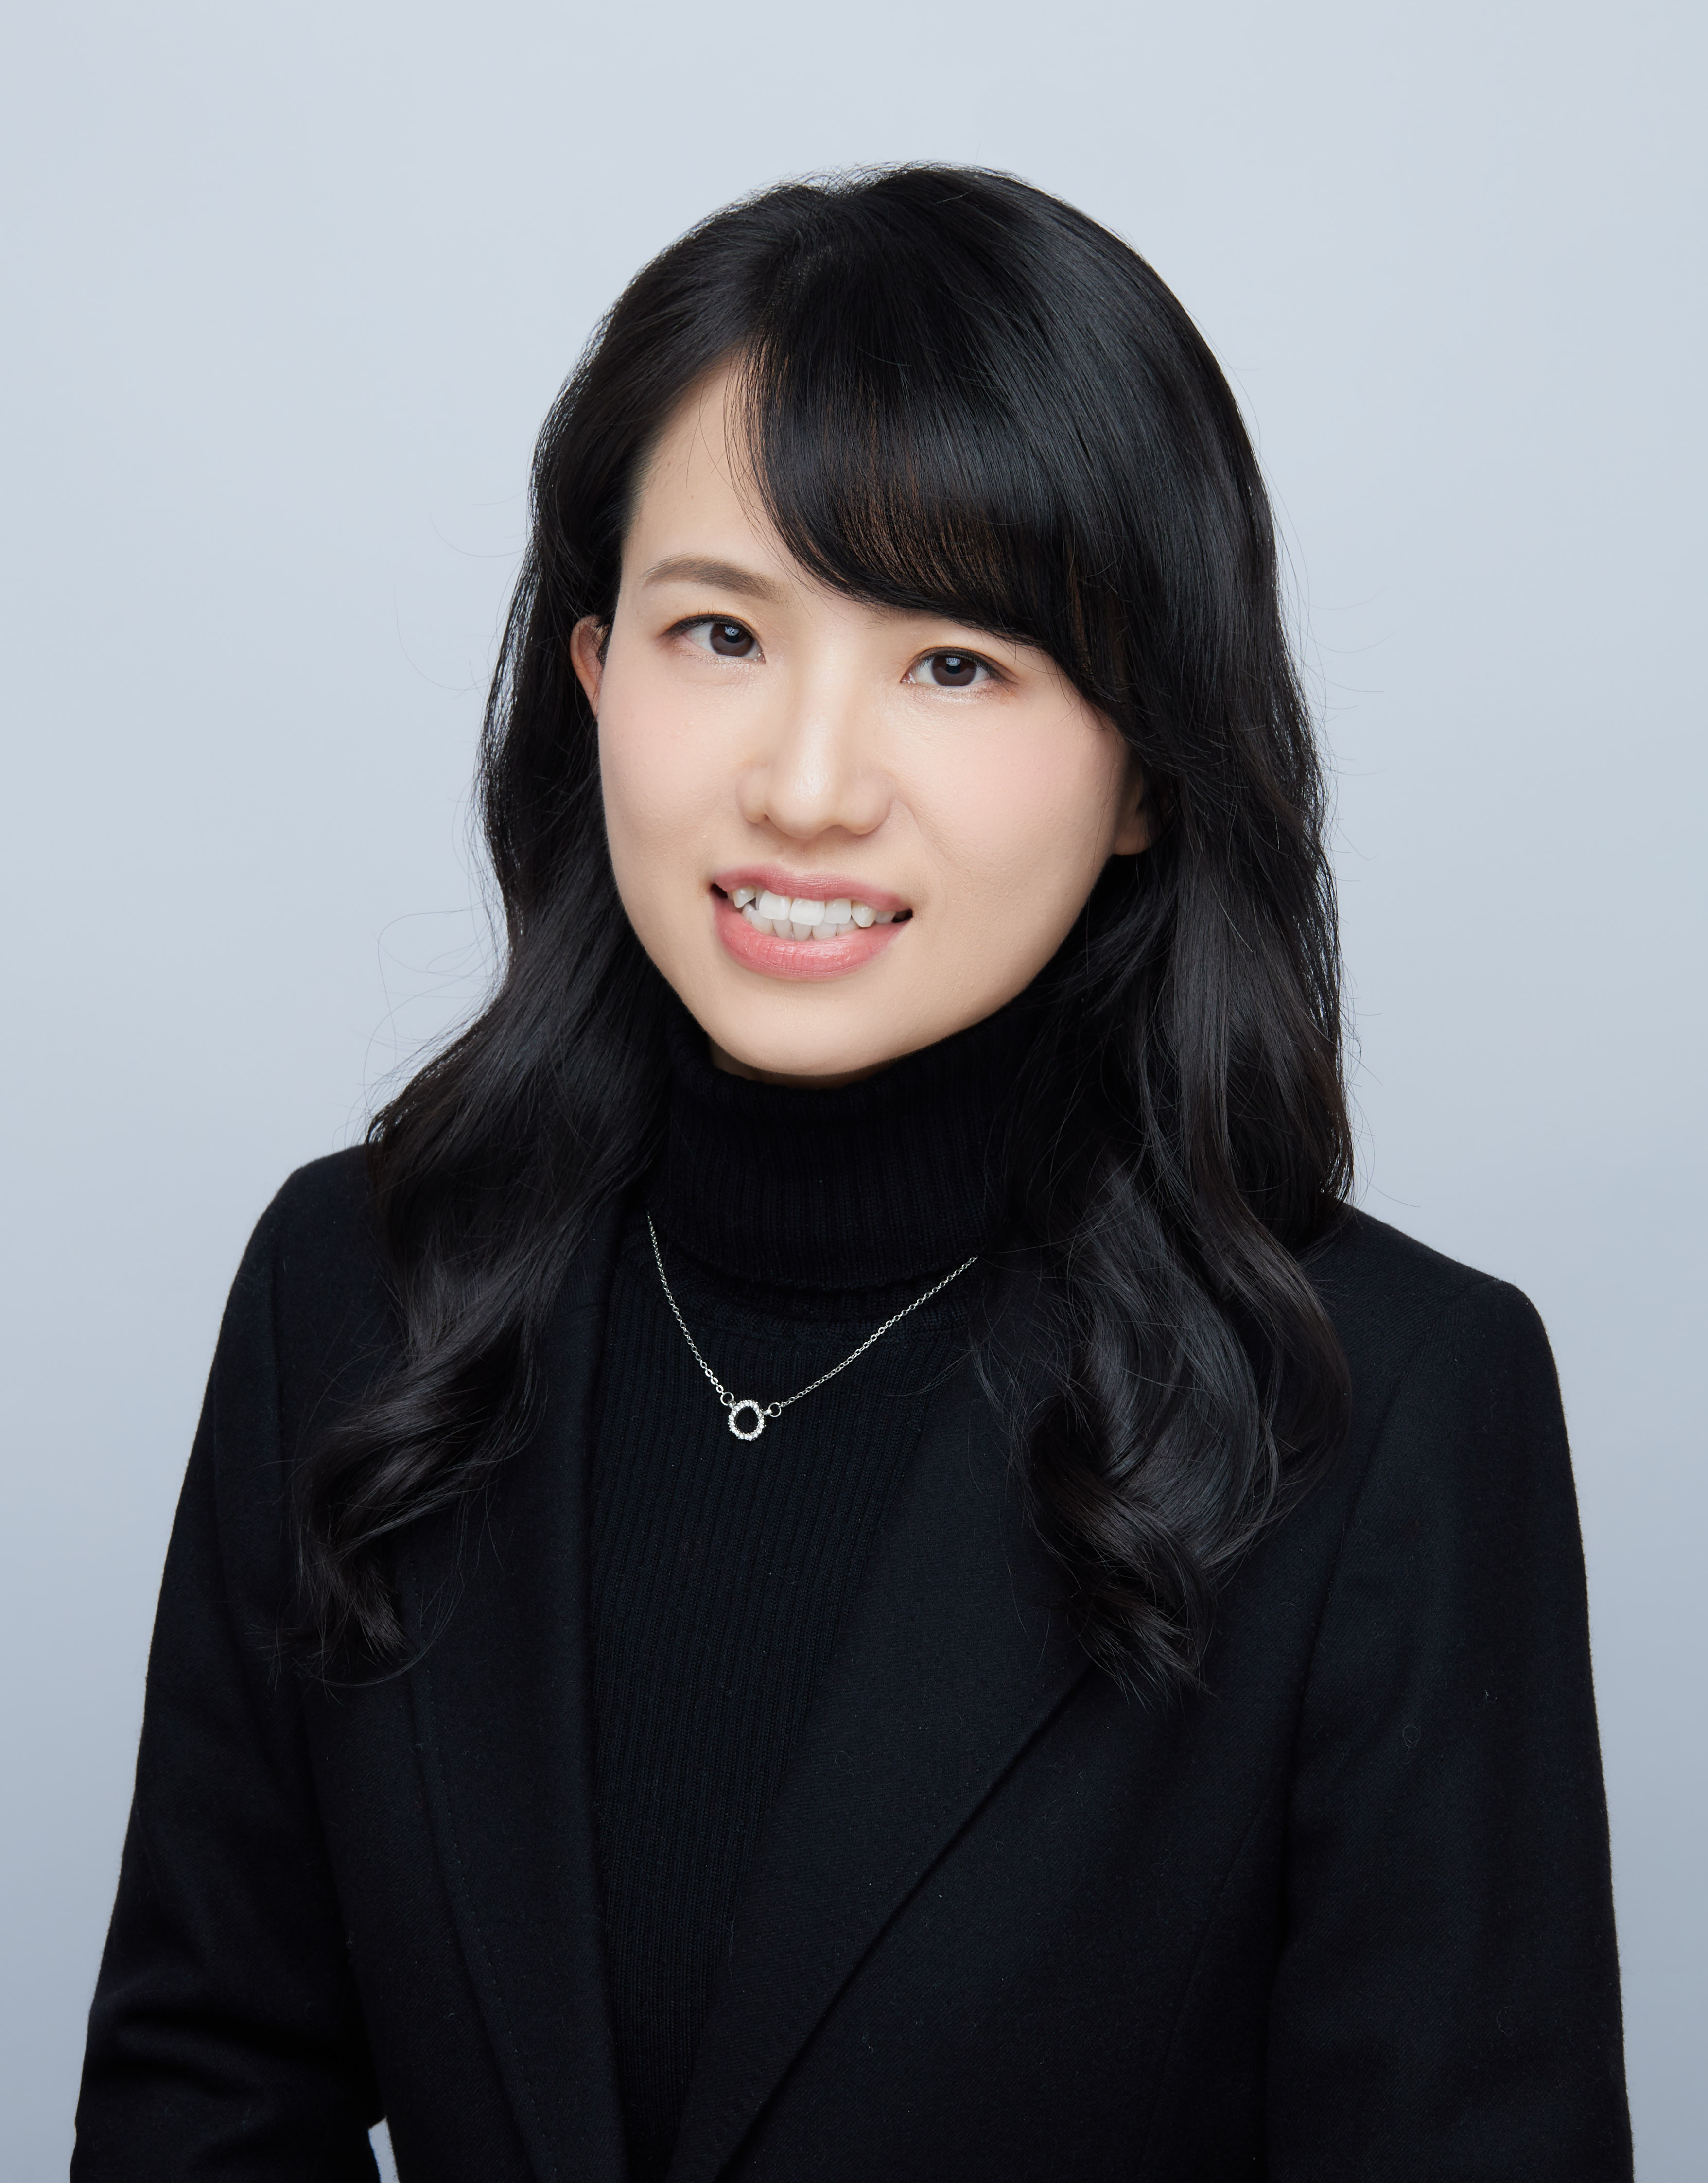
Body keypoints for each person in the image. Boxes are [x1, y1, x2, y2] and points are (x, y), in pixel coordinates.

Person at [72, 166, 1632, 2181]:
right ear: (594, 677)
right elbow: (203, 2097)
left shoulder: (1382, 1409)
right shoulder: (355, 1291)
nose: (805, 787)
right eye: (720, 630)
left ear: (1147, 766)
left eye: (953, 662)